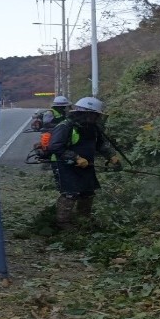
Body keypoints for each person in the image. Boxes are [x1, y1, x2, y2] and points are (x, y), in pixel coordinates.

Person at [44, 96, 121, 228]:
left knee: (88, 191)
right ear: (85, 113)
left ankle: (83, 218)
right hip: (63, 163)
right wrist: (76, 158)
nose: (96, 118)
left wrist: (111, 156)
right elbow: (55, 147)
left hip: (86, 163)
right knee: (70, 192)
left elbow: (100, 144)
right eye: (94, 115)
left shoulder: (92, 127)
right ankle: (63, 222)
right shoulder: (65, 126)